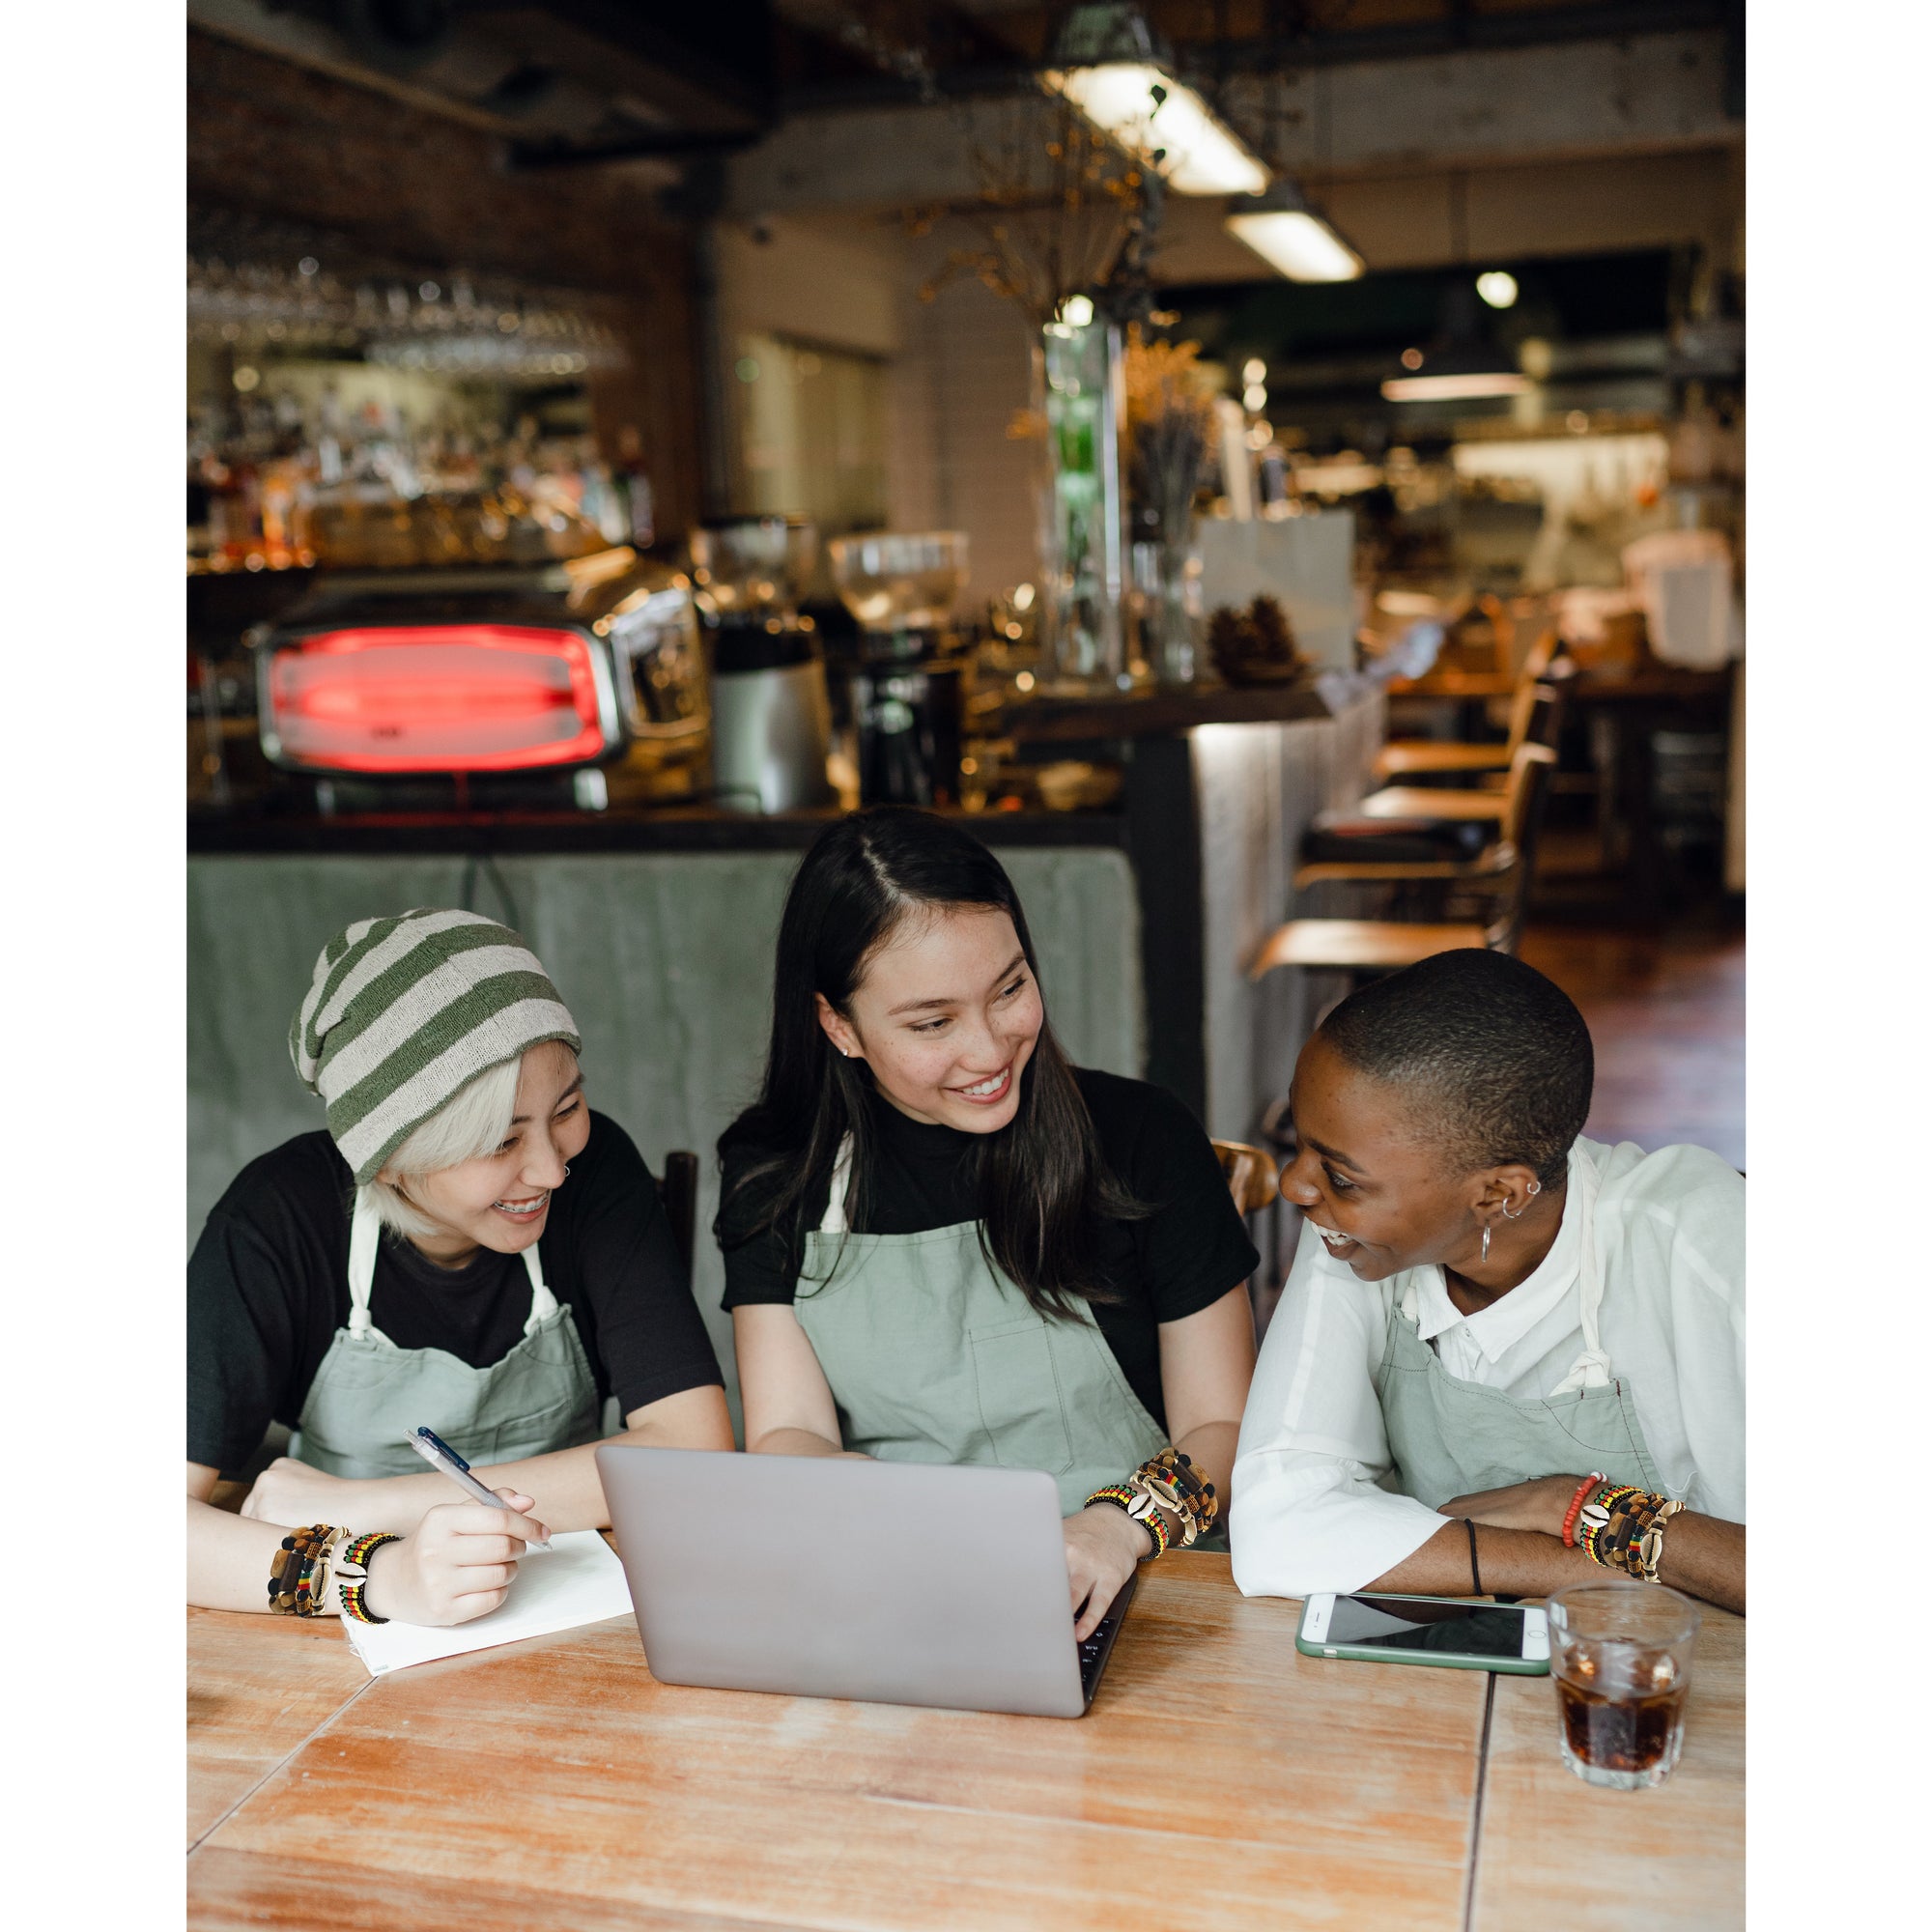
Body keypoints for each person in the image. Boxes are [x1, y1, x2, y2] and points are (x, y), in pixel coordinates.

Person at [718, 809, 1260, 1640]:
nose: (990, 1050)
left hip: (1149, 1579)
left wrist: (1115, 1528)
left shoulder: (1143, 1138)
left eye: (1009, 989)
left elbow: (1225, 1428)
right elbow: (789, 1431)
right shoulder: (777, 1171)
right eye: (932, 1023)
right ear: (839, 1027)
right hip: (895, 1581)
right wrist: (889, 1514)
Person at [188, 908, 733, 1626]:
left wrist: (363, 1505)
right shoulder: (276, 1218)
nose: (551, 1170)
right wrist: (379, 1576)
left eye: (566, 1108)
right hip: (340, 1631)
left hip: (566, 1598)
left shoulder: (597, 1174)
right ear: (387, 1160)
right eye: (501, 1142)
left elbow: (693, 1453)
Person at [1230, 949, 1744, 1614]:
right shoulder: (1352, 1232)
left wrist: (1577, 1505)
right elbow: (1276, 1527)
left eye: (1341, 1176)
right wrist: (1605, 1561)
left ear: (1500, 1194)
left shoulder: (1704, 1242)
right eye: (1301, 1143)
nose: (1295, 1186)